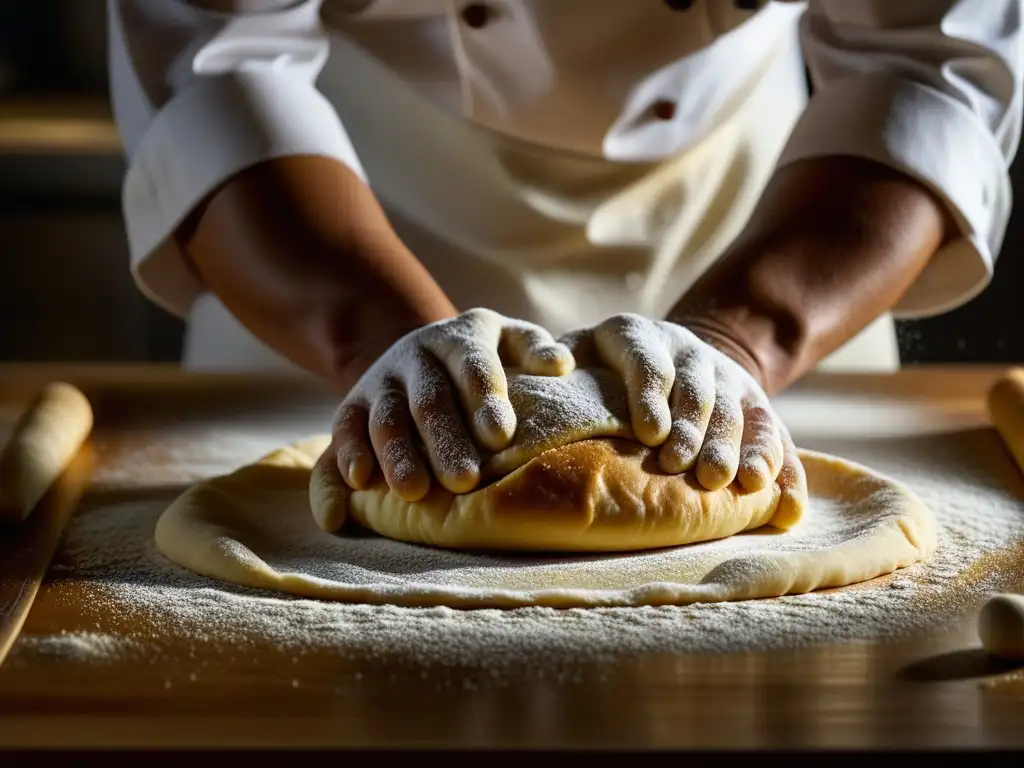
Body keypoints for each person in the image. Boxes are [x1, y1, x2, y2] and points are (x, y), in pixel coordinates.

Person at [107, 0, 1024, 505]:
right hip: (339, 221)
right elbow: (217, 61)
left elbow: (921, 61)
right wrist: (375, 343)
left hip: (774, 224)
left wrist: (736, 344)